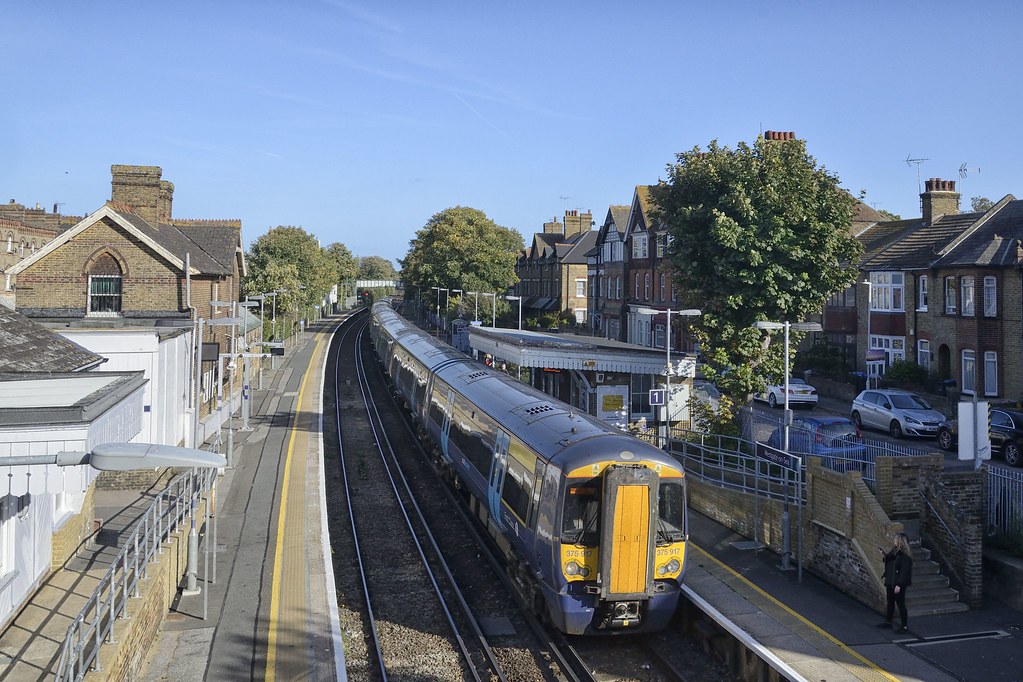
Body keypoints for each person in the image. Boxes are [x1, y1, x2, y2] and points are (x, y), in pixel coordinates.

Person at [878, 532, 913, 633]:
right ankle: (888, 622)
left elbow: (904, 572)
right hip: (890, 581)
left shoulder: (905, 556)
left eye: (895, 539)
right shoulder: (894, 551)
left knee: (900, 604)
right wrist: (884, 555)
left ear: (900, 542)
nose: (894, 540)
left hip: (897, 583)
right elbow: (889, 561)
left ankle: (904, 626)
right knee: (890, 602)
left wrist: (899, 585)